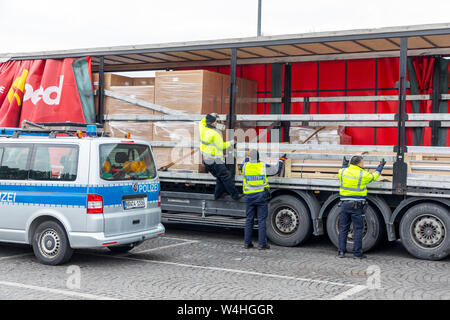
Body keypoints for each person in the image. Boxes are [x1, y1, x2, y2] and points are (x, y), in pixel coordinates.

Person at [337, 155, 385, 259]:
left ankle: (341, 252)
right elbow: (374, 177)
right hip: (357, 205)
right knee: (358, 229)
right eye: (362, 162)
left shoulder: (342, 172)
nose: (363, 164)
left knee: (343, 228)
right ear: (359, 163)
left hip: (344, 204)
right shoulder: (363, 174)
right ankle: (357, 254)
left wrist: (345, 164)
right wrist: (380, 166)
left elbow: (342, 171)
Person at [242, 149, 286, 250]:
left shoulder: (245, 166)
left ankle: (247, 243)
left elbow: (245, 161)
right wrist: (281, 160)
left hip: (249, 196)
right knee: (261, 220)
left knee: (249, 220)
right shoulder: (262, 166)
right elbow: (275, 170)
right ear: (258, 157)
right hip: (260, 196)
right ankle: (262, 244)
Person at [199, 113, 241, 200]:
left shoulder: (202, 129)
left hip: (207, 161)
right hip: (216, 161)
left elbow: (201, 122)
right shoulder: (215, 134)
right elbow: (221, 146)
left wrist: (210, 115)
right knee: (226, 177)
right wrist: (231, 142)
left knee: (220, 177)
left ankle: (217, 195)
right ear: (213, 123)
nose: (217, 123)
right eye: (216, 122)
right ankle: (235, 195)